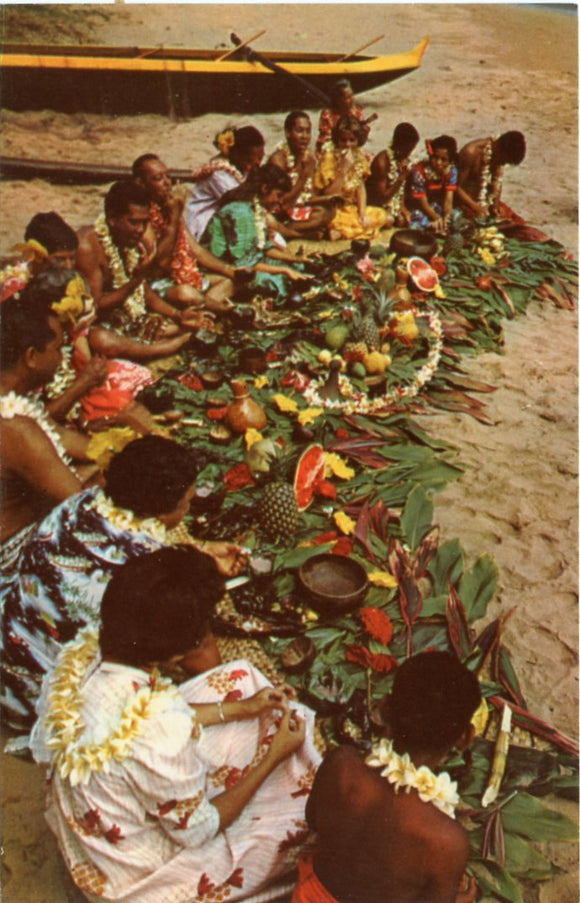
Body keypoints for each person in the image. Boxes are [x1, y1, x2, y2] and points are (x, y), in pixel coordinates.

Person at [31, 546, 321, 903]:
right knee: (297, 817)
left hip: (101, 815)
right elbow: (200, 829)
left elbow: (145, 718)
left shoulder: (83, 656)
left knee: (241, 681)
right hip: (134, 872)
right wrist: (273, 756)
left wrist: (243, 708)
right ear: (173, 657)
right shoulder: (160, 730)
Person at [1, 435, 248, 729]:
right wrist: (234, 698)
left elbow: (115, 548)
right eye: (187, 504)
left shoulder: (81, 501)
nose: (187, 512)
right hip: (42, 704)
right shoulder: (154, 574)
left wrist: (200, 554)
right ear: (161, 513)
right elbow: (201, 653)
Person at [294, 651, 481, 903]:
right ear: (466, 738)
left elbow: (313, 821)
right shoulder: (446, 841)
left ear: (383, 708)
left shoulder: (342, 764)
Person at [0, 293, 98, 574]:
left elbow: (75, 443)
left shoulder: (12, 402)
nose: (62, 356)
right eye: (58, 348)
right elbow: (82, 505)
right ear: (31, 356)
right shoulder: (15, 428)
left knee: (103, 465)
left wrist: (120, 446)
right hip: (10, 556)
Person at [76, 180, 211, 347]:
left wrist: (178, 315)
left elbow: (145, 292)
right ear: (112, 219)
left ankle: (175, 337)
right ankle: (172, 346)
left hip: (121, 315)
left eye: (145, 222)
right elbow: (97, 305)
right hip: (88, 324)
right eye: (133, 222)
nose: (140, 230)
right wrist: (136, 280)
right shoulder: (88, 246)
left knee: (179, 324)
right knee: (104, 342)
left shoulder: (128, 240)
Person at [24, 267, 157, 431]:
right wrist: (83, 385)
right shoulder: (35, 349)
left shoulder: (64, 334)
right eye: (80, 316)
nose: (89, 320)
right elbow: (35, 421)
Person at [132, 153, 244, 314]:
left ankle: (204, 309)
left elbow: (196, 250)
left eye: (167, 176)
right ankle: (222, 310)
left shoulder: (167, 207)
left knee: (229, 282)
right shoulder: (140, 215)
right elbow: (161, 262)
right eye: (158, 179)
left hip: (181, 277)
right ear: (141, 184)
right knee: (185, 294)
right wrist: (174, 217)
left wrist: (230, 270)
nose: (167, 183)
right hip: (155, 284)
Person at [203, 162, 308, 300]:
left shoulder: (255, 208)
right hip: (225, 270)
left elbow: (263, 248)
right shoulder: (239, 212)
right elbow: (245, 266)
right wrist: (285, 270)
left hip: (249, 263)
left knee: (296, 266)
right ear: (265, 188)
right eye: (279, 195)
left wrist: (296, 259)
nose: (280, 202)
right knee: (275, 282)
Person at [313, 115, 389, 241]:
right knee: (334, 220)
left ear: (358, 140)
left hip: (350, 209)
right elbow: (328, 194)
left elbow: (360, 187)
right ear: (337, 140)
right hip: (332, 210)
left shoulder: (358, 156)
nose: (347, 145)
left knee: (384, 217)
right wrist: (344, 169)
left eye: (352, 140)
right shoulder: (329, 157)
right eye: (343, 140)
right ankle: (347, 231)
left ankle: (343, 232)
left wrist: (362, 214)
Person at [186, 125, 265, 241]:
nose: (258, 163)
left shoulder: (243, 165)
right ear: (237, 154)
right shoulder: (217, 172)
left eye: (261, 158)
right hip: (204, 225)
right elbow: (237, 202)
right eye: (250, 159)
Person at [269, 111, 335, 238]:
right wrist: (304, 175)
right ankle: (295, 233)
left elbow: (307, 197)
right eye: (299, 131)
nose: (304, 136)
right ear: (288, 133)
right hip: (279, 212)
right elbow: (282, 203)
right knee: (321, 214)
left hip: (296, 209)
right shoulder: (278, 159)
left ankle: (298, 230)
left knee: (329, 211)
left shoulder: (309, 158)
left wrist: (327, 199)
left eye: (308, 131)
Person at [0, 210, 79, 302]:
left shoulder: (70, 278)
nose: (69, 266)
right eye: (60, 259)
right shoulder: (15, 287)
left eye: (72, 258)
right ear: (38, 255)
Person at [456, 131, 527, 220]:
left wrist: (495, 205)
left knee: (512, 220)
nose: (503, 163)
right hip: (464, 202)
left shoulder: (498, 156)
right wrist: (475, 207)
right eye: (504, 161)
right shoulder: (471, 152)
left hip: (483, 201)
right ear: (499, 148)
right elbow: (456, 187)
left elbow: (496, 183)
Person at [366, 122, 420, 225]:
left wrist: (402, 207)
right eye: (408, 149)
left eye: (412, 149)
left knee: (408, 220)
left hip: (392, 202)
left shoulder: (402, 158)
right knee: (390, 221)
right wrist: (402, 177)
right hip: (376, 205)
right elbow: (382, 199)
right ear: (399, 145)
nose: (410, 153)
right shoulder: (382, 162)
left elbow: (401, 189)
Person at [405, 135, 459, 233]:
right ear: (430, 155)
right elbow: (423, 203)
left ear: (450, 160)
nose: (438, 162)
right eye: (435, 157)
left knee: (455, 216)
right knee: (416, 223)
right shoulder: (419, 172)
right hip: (420, 206)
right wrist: (437, 218)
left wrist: (446, 218)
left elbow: (448, 200)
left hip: (436, 205)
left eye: (443, 159)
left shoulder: (451, 171)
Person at [316, 78, 376, 155]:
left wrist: (363, 133)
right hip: (332, 149)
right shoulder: (327, 114)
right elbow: (325, 139)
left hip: (352, 148)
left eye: (351, 95)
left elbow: (360, 141)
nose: (351, 100)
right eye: (346, 98)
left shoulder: (358, 112)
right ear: (338, 99)